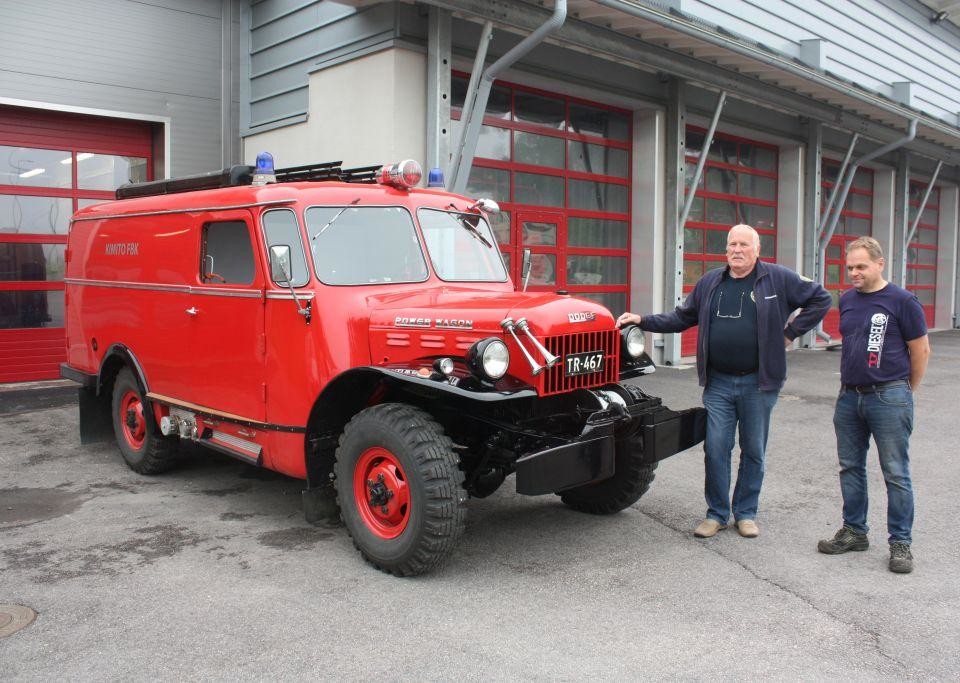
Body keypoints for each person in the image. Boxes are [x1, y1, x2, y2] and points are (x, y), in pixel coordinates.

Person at [617, 224, 830, 539]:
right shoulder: (710, 282)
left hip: (760, 383)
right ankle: (716, 513)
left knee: (753, 449)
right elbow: (681, 317)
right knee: (716, 448)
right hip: (719, 383)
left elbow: (821, 299)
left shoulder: (777, 278)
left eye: (744, 244)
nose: (737, 250)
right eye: (732, 244)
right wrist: (643, 321)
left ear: (757, 250)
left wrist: (790, 333)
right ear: (726, 249)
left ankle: (745, 513)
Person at [817, 237, 930, 574]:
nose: (854, 272)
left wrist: (906, 390)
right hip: (849, 396)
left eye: (861, 266)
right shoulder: (849, 299)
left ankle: (901, 543)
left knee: (895, 472)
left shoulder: (902, 301)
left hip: (889, 395)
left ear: (880, 264)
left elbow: (920, 350)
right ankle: (854, 531)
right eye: (850, 267)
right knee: (850, 466)